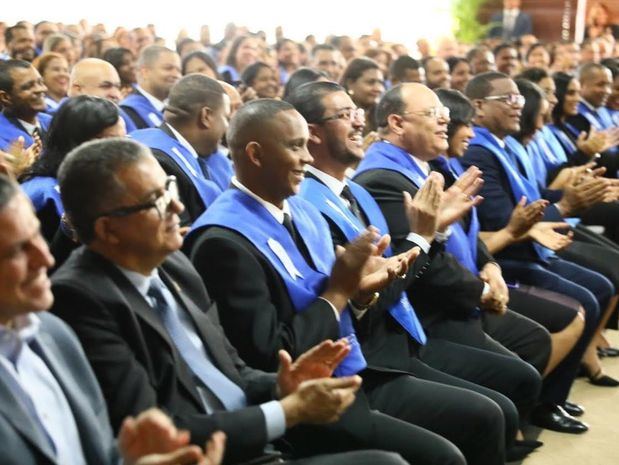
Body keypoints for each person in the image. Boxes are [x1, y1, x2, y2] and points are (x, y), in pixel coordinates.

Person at [51, 137, 408, 465]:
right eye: (156, 201)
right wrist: (287, 411)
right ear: (107, 230)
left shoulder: (175, 263)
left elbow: (231, 370)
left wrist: (282, 386)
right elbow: (153, 430)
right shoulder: (80, 299)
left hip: (255, 438)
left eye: (169, 188)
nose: (177, 206)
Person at [185, 98, 476, 465]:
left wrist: (359, 294)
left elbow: (339, 302)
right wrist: (340, 291)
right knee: (445, 455)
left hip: (348, 374)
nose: (308, 158)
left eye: (308, 144)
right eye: (295, 146)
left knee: (475, 421)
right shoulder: (221, 242)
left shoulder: (302, 210)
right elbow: (273, 354)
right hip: (299, 407)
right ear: (256, 155)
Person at [289, 80, 547, 463]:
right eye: (346, 116)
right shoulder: (328, 198)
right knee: (488, 414)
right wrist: (425, 237)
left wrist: (441, 239)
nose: (360, 123)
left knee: (504, 399)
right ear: (312, 134)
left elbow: (408, 266)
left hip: (399, 333)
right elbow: (385, 289)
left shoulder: (354, 191)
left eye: (357, 113)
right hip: (373, 352)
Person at [353, 83, 544, 435]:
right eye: (432, 115)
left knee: (530, 354)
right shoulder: (383, 180)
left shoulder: (432, 166)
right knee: (511, 385)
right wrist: (481, 293)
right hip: (431, 312)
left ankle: (517, 433)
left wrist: (490, 266)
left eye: (444, 114)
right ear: (397, 123)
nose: (446, 122)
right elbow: (422, 265)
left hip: (462, 293)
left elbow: (468, 223)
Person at [0, 173, 228, 465]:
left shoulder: (54, 334)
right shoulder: (75, 304)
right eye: (18, 250)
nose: (45, 258)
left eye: (36, 236)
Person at [436, 87, 592, 426]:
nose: (471, 131)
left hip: (495, 263)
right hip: (473, 283)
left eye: (521, 100)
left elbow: (474, 237)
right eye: (509, 99)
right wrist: (546, 214)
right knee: (578, 307)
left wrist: (491, 265)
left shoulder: (455, 164)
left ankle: (542, 401)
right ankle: (532, 407)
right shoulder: (472, 157)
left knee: (590, 296)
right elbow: (489, 229)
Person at [461, 73, 617, 410]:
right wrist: (566, 204)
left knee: (599, 286)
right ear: (478, 107)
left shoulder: (508, 143)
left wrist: (571, 195)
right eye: (509, 99)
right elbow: (505, 221)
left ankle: (554, 394)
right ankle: (545, 403)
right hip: (507, 255)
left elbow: (534, 199)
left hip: (534, 243)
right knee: (587, 299)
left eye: (520, 98)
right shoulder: (479, 152)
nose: (519, 105)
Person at [18, 95, 125, 243]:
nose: (124, 152)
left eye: (125, 141)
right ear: (77, 143)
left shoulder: (102, 186)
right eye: (113, 143)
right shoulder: (40, 194)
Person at [131, 74, 229, 225]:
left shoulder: (141, 139)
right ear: (206, 116)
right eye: (225, 118)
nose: (227, 127)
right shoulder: (161, 162)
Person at [68, 57, 137, 132]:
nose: (116, 94)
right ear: (77, 89)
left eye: (117, 87)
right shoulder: (57, 125)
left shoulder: (122, 118)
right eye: (105, 86)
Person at [121, 45, 182, 129]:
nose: (176, 75)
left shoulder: (177, 110)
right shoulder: (127, 112)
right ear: (144, 72)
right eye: (168, 68)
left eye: (179, 70)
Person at [0, 60, 50, 152]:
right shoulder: (2, 140)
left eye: (40, 82)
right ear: (5, 97)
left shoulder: (53, 123)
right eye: (28, 86)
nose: (40, 89)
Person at [341, 57, 384, 135]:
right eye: (371, 82)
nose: (378, 89)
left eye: (380, 83)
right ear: (350, 83)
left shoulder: (382, 115)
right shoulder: (340, 117)